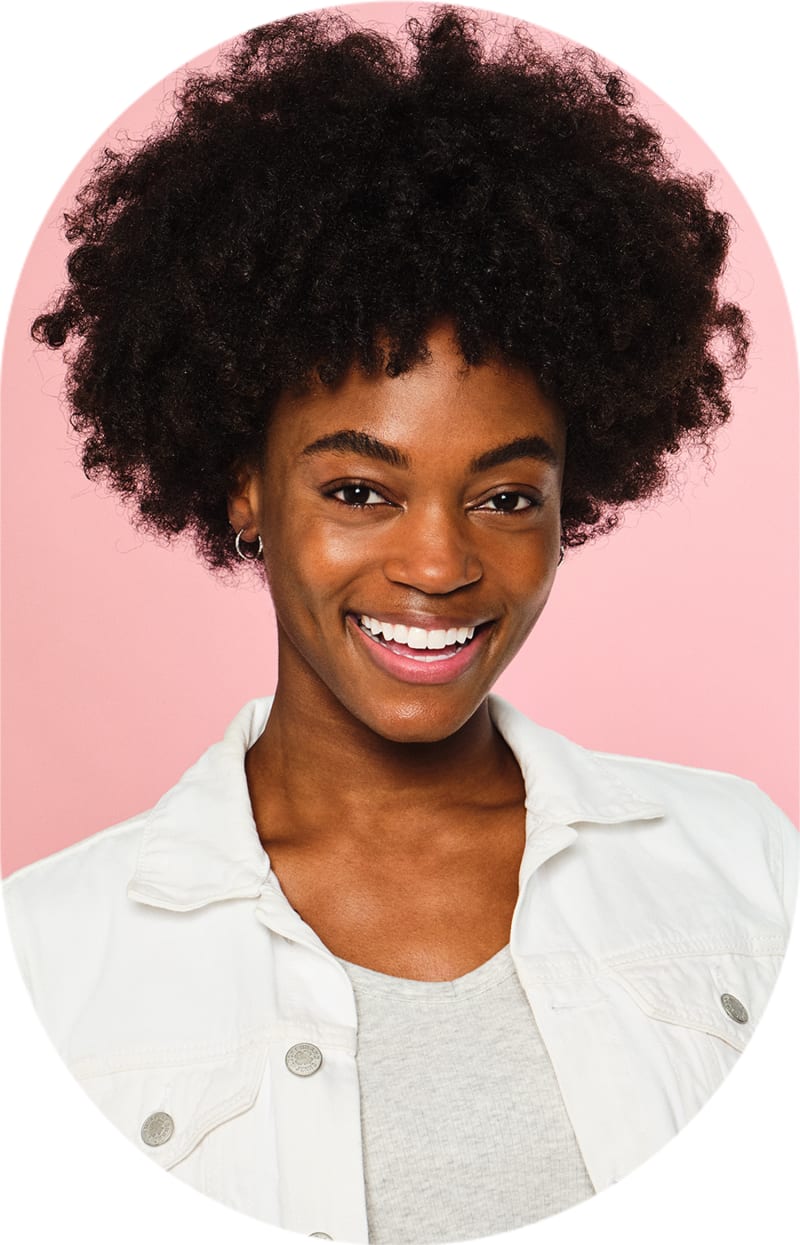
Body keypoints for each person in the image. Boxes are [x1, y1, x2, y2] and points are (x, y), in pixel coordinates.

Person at [2, 7, 796, 1243]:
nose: (437, 561)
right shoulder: (46, 959)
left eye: (503, 496)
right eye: (359, 490)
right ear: (245, 487)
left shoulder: (741, 866)